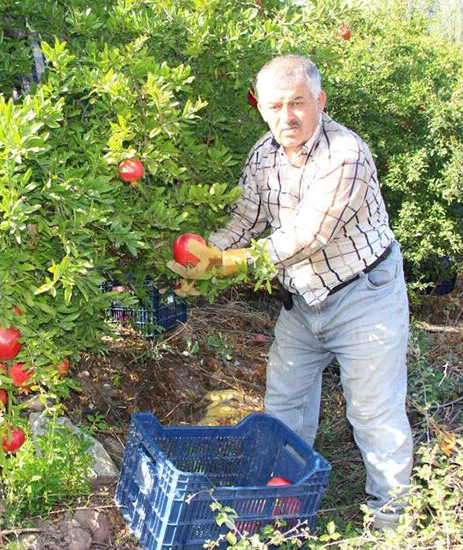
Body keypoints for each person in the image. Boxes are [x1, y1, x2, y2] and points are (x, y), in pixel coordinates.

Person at [167, 54, 413, 530]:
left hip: (364, 295)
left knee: (373, 414)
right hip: (302, 302)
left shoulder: (346, 153)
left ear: (319, 101)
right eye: (276, 106)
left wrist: (224, 265)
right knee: (285, 406)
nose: (288, 117)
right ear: (260, 108)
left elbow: (304, 238)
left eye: (298, 103)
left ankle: (391, 525)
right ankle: (281, 504)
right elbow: (245, 220)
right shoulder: (263, 154)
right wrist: (204, 255)